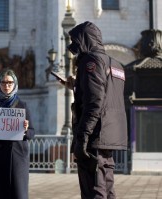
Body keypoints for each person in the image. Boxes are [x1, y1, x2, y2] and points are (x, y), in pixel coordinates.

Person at [64, 21, 128, 198]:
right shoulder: (116, 64)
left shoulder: (90, 61)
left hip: (94, 135)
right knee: (107, 187)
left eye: (76, 41)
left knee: (94, 190)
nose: (74, 47)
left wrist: (82, 136)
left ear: (84, 39)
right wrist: (76, 85)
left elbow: (94, 102)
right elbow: (106, 95)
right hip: (110, 135)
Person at [0, 69, 35, 199]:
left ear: (15, 84)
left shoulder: (22, 106)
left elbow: (32, 132)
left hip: (17, 159)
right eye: (3, 83)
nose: (6, 86)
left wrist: (25, 130)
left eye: (9, 82)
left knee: (18, 194)